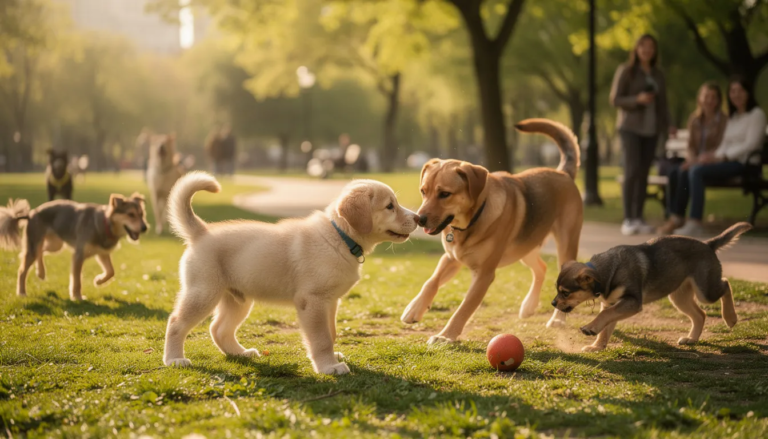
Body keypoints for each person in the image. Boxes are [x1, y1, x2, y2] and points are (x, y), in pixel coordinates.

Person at [664, 77, 766, 236]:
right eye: (733, 91)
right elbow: (724, 144)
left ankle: (695, 221)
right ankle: (679, 218)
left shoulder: (756, 115)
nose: (736, 95)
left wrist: (722, 157)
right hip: (728, 162)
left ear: (748, 93)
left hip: (745, 165)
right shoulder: (734, 117)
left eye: (740, 91)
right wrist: (704, 159)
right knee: (693, 168)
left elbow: (751, 145)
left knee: (696, 171)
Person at [610, 34, 672, 236]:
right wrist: (637, 99)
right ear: (636, 49)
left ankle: (638, 217)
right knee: (632, 169)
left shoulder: (658, 74)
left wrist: (668, 125)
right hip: (630, 128)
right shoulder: (626, 71)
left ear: (655, 51)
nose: (647, 50)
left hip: (651, 129)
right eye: (643, 46)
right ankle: (628, 219)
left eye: (651, 47)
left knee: (644, 172)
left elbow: (663, 104)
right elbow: (615, 99)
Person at [658, 82, 727, 234]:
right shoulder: (694, 119)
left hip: (712, 161)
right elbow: (690, 146)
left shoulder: (723, 120)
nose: (709, 100)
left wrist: (695, 161)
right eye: (706, 96)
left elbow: (721, 146)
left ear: (718, 101)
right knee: (674, 172)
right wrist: (691, 159)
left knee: (685, 172)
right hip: (695, 161)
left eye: (713, 97)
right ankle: (675, 216)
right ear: (700, 99)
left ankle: (680, 218)